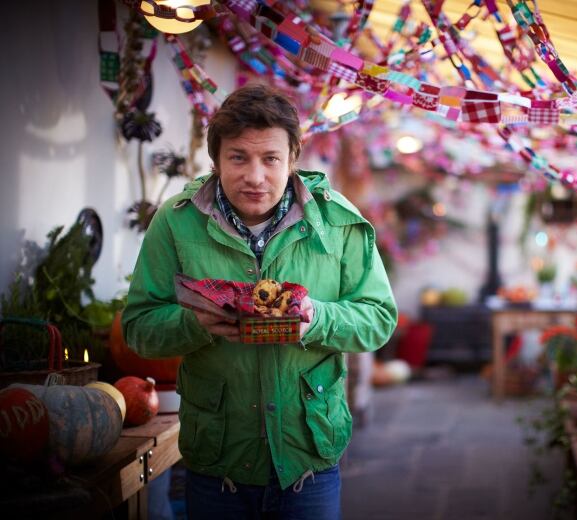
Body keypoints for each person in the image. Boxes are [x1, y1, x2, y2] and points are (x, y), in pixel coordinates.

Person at [122, 84, 397, 520]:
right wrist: (197, 323)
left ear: (292, 159)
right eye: (238, 157)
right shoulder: (174, 223)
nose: (255, 176)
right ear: (215, 159)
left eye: (270, 159)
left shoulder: (339, 223)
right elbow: (138, 327)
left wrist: (319, 319)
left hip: (309, 462)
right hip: (219, 466)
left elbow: (379, 318)